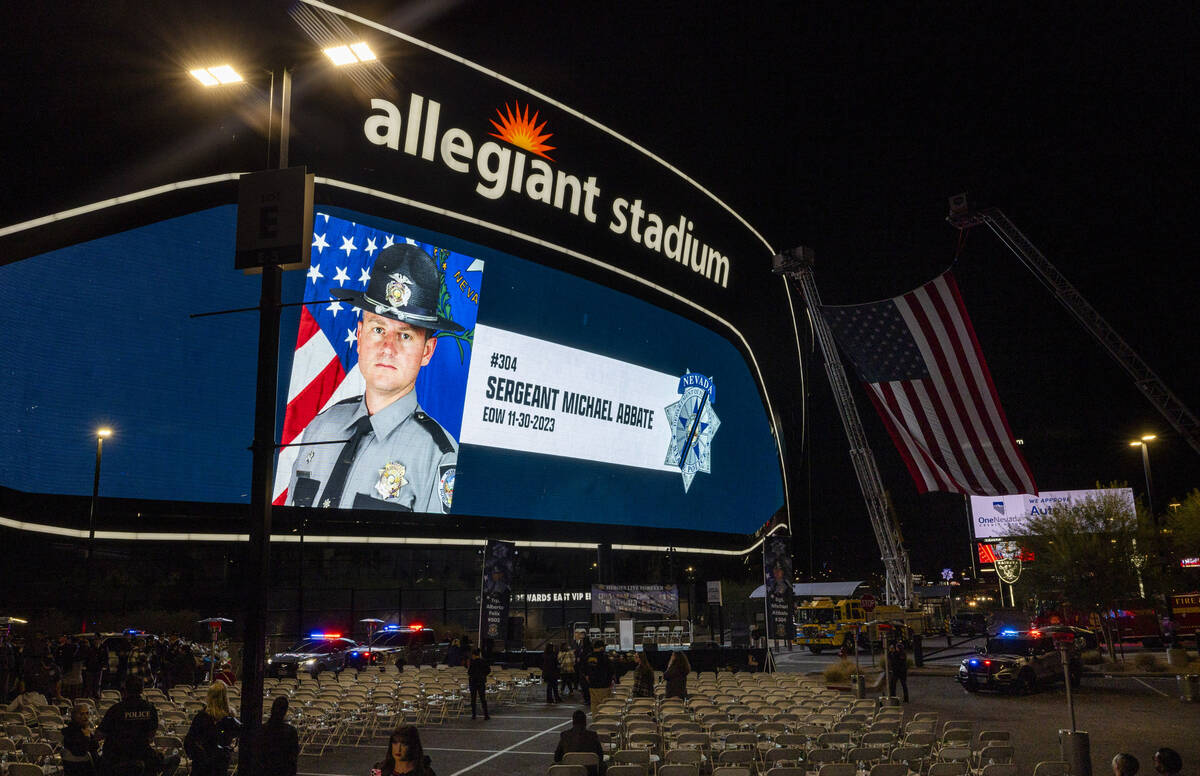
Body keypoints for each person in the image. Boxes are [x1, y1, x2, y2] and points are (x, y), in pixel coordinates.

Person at [287, 244, 464, 513]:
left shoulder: (440, 457)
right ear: (360, 336)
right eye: (378, 329)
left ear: (426, 352)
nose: (387, 348)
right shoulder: (320, 428)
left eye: (405, 335)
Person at [97, 676, 175, 776]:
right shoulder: (150, 708)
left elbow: (100, 734)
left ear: (125, 689)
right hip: (141, 756)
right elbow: (151, 736)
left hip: (116, 756)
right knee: (173, 759)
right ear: (142, 690)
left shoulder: (116, 709)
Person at [184, 682, 243, 776]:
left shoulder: (201, 717)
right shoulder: (230, 718)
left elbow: (189, 740)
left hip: (201, 763)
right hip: (220, 762)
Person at [553, 709, 606, 776]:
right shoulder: (593, 735)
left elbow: (557, 757)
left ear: (573, 722)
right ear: (585, 722)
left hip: (570, 771)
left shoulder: (565, 735)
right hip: (590, 772)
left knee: (553, 766)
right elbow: (600, 756)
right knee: (603, 765)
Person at [256, 696, 299, 776]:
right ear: (285, 711)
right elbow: (293, 758)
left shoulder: (262, 730)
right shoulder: (290, 732)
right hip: (283, 771)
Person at [62, 703, 100, 776]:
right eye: (82, 714)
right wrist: (87, 737)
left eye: (87, 713)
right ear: (74, 716)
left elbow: (95, 745)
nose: (85, 717)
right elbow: (80, 752)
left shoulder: (84, 729)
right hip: (83, 769)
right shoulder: (70, 732)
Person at [581, 640, 613, 714]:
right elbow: (611, 670)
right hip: (603, 686)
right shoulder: (604, 657)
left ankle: (595, 721)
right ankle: (603, 722)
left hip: (592, 685)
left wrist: (587, 677)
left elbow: (583, 669)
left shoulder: (588, 657)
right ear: (601, 648)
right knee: (604, 707)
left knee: (595, 706)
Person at [467, 648, 490, 720]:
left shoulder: (472, 662)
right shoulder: (483, 661)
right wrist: (483, 675)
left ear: (473, 655)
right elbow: (488, 670)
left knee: (473, 699)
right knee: (483, 698)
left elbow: (469, 672)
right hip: (481, 681)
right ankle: (486, 715)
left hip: (473, 682)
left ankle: (474, 715)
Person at [887, 637, 909, 702]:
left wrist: (892, 653)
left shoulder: (900, 654)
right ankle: (896, 697)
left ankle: (898, 697)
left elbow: (895, 661)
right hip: (899, 671)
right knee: (898, 684)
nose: (895, 648)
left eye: (896, 647)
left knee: (898, 684)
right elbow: (890, 657)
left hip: (899, 672)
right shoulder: (898, 653)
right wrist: (891, 652)